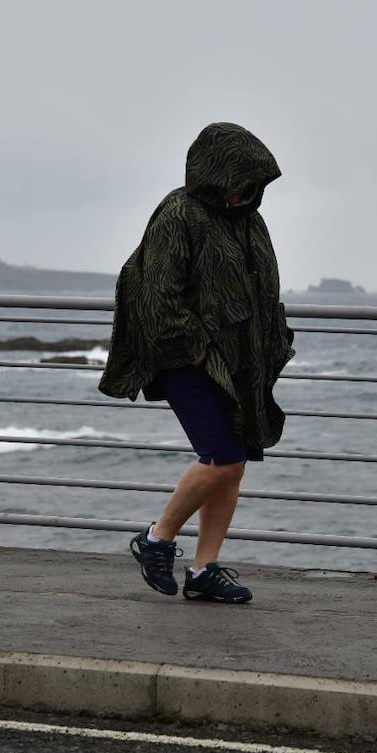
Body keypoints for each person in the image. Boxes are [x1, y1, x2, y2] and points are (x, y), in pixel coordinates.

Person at [99, 122, 295, 604]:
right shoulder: (179, 213)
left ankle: (204, 569)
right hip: (186, 359)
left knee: (234, 462)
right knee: (223, 457)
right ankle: (156, 538)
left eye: (253, 185)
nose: (244, 192)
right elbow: (156, 293)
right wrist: (198, 346)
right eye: (238, 181)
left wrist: (271, 341)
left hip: (238, 363)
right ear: (213, 172)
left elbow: (260, 288)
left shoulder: (249, 221)